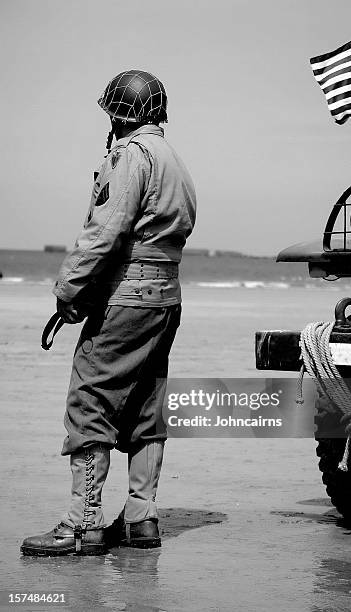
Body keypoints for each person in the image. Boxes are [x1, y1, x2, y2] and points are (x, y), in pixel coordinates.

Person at [20, 70, 197, 556]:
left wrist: (68, 291)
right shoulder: (174, 160)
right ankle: (141, 520)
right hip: (166, 299)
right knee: (146, 404)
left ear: (121, 114)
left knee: (89, 401)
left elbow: (105, 232)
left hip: (128, 298)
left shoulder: (128, 156)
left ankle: (83, 526)